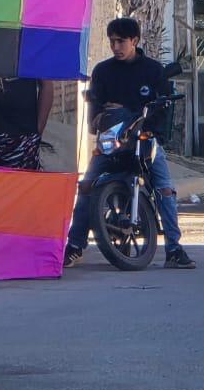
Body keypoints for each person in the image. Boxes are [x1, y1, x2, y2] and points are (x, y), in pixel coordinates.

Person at [64, 18, 196, 270]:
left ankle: (174, 249)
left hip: (143, 140)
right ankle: (74, 246)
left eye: (121, 41)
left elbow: (163, 108)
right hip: (111, 142)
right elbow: (94, 111)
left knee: (165, 188)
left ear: (134, 41)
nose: (115, 46)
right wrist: (100, 118)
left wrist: (140, 122)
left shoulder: (154, 71)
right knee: (87, 186)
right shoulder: (102, 71)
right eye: (112, 41)